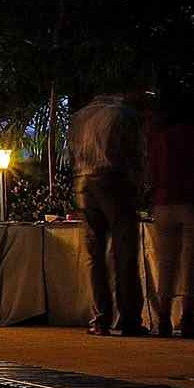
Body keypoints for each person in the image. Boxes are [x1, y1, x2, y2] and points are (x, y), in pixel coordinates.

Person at [70, 92, 148, 336]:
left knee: (95, 255)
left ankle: (101, 318)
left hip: (85, 183)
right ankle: (129, 318)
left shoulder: (80, 117)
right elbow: (135, 153)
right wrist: (139, 184)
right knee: (124, 251)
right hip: (115, 180)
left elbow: (73, 153)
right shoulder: (123, 115)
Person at [148, 90, 194, 338]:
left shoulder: (160, 137)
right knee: (191, 262)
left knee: (166, 263)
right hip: (192, 202)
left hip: (164, 202)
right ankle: (187, 317)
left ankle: (163, 317)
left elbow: (151, 172)